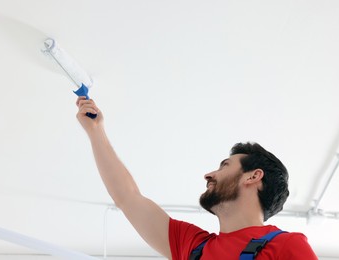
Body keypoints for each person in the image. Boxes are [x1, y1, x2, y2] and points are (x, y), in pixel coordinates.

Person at [76, 97, 318, 259]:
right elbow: (127, 197)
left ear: (253, 177)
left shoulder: (287, 247)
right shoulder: (192, 246)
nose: (209, 174)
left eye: (224, 166)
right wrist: (96, 132)